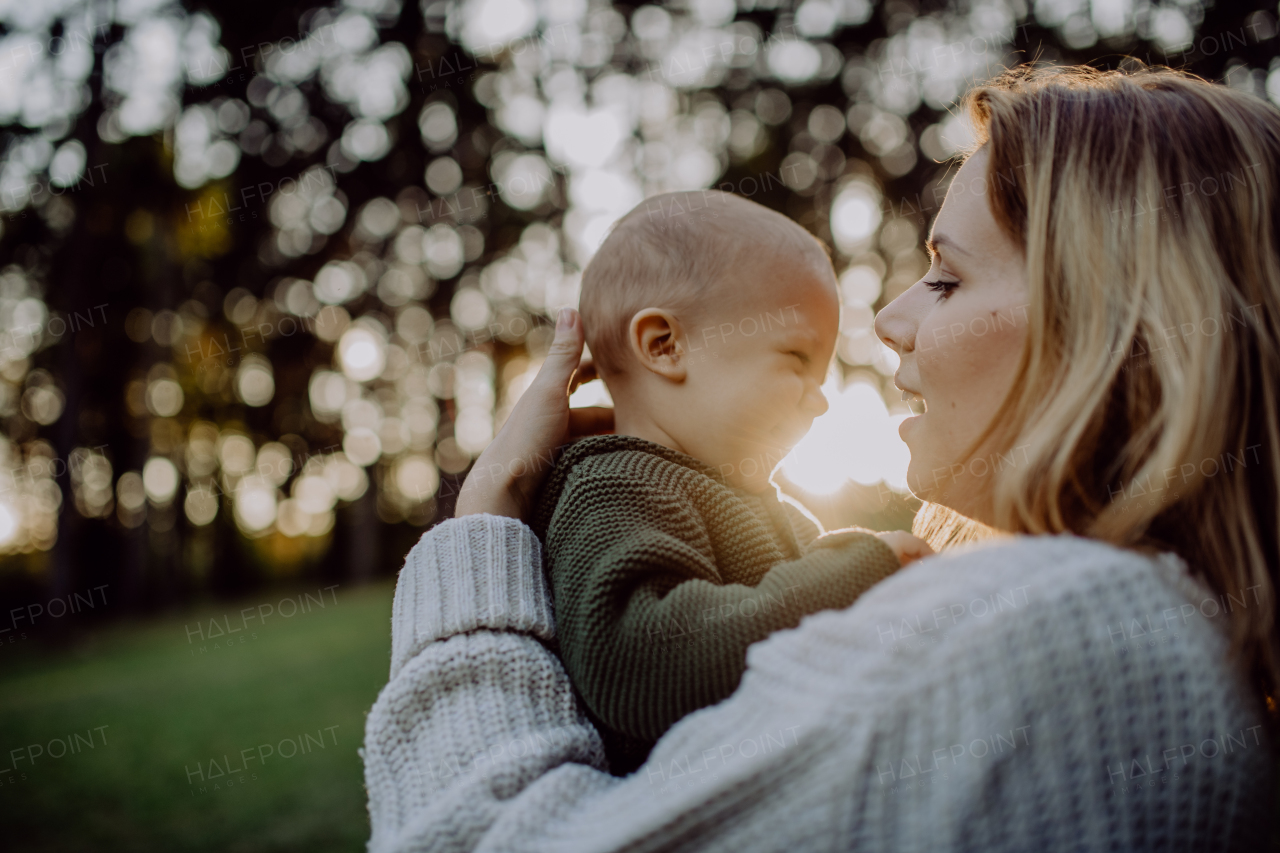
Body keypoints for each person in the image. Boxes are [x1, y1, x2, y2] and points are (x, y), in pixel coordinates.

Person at [360, 64, 1279, 851]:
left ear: (1130, 332)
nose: (890, 324)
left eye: (949, 278)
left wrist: (481, 531)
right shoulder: (1176, 631)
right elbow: (647, 649)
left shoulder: (1060, 636)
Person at [531, 190, 932, 775]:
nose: (820, 400)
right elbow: (639, 661)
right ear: (666, 346)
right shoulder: (613, 485)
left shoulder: (768, 506)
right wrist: (854, 574)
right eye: (797, 358)